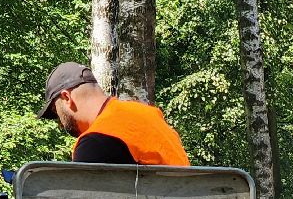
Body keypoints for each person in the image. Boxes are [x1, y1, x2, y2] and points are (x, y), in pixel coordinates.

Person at [37, 62, 190, 166]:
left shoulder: (95, 142)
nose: (59, 123)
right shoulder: (149, 114)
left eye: (55, 112)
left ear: (67, 97)